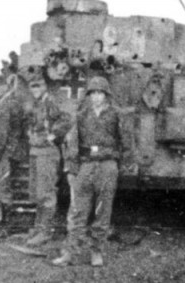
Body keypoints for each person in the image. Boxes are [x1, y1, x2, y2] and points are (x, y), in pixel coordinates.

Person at [52, 76, 131, 267]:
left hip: (107, 165)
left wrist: (121, 164)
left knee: (103, 211)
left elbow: (127, 141)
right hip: (86, 165)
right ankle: (71, 252)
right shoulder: (81, 115)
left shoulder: (116, 114)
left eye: (100, 93)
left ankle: (97, 251)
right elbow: (73, 143)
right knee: (79, 211)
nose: (96, 96)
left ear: (106, 95)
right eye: (93, 93)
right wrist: (72, 169)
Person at [23, 75, 71, 247]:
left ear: (44, 87)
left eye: (38, 87)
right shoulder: (36, 104)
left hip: (47, 152)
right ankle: (38, 228)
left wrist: (53, 135)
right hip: (36, 150)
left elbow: (66, 119)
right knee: (37, 192)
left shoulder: (51, 101)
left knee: (46, 193)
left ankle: (45, 232)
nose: (35, 90)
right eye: (33, 87)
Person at [0, 74, 25, 227]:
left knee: (0, 184)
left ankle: (4, 220)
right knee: (3, 183)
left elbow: (0, 135)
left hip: (5, 153)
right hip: (14, 150)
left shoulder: (5, 106)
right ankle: (4, 218)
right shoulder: (15, 103)